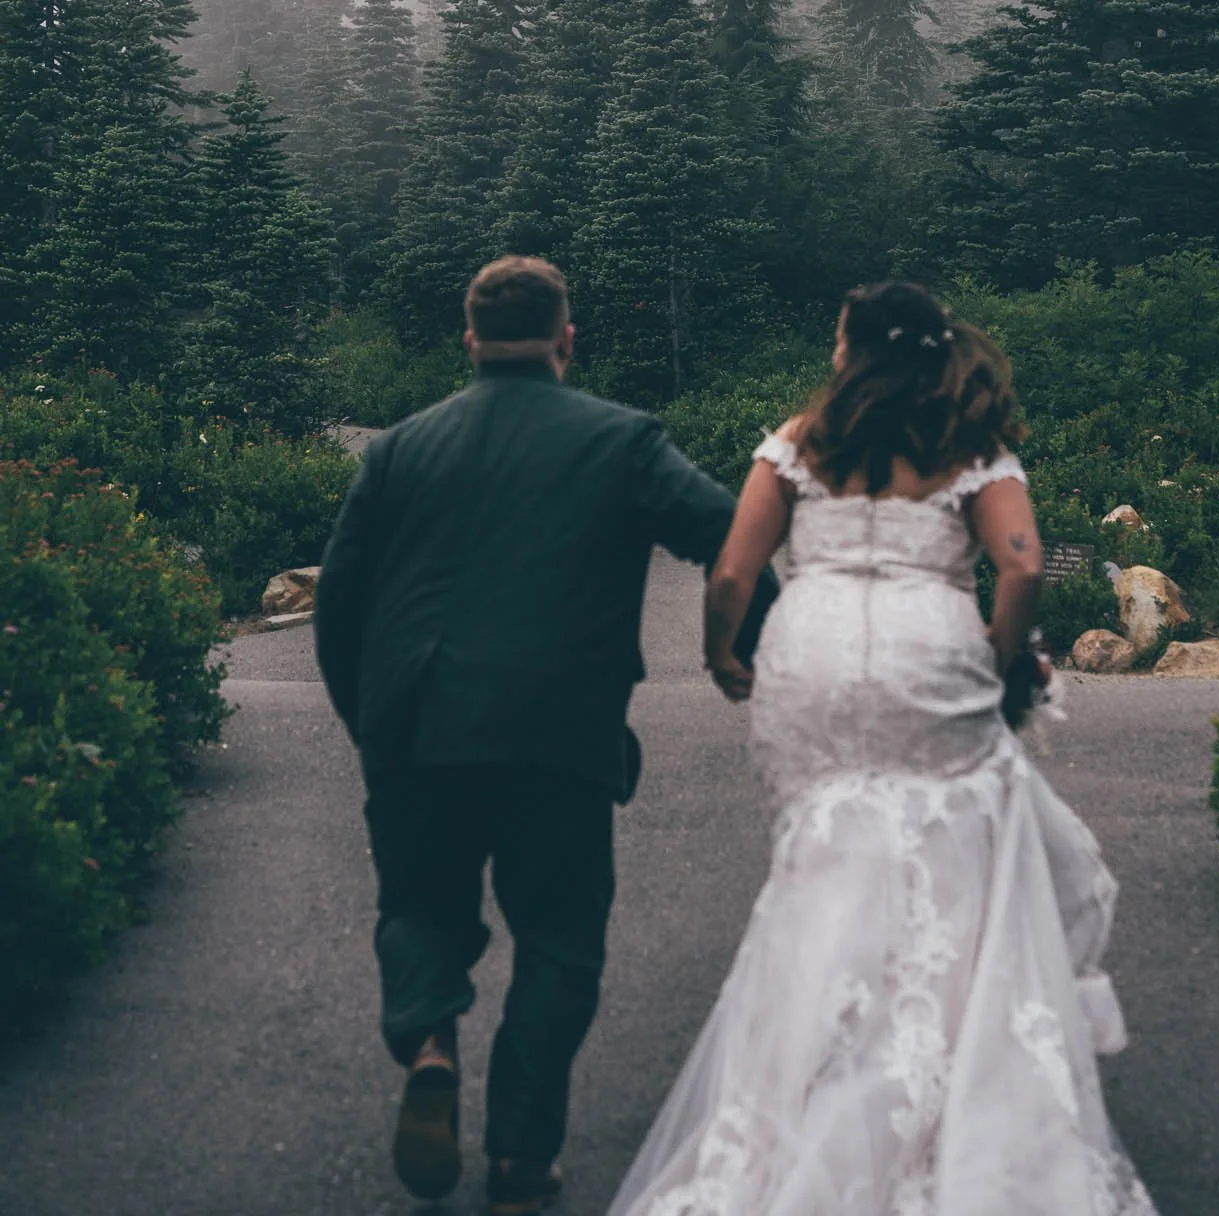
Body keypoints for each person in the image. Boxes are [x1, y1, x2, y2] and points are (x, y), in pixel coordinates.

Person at [607, 279, 1158, 1216]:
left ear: (851, 350)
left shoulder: (797, 441)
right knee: (952, 835)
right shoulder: (969, 448)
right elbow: (1022, 564)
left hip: (812, 653)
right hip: (927, 649)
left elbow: (734, 570)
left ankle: (820, 1052)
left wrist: (721, 652)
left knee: (826, 850)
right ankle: (948, 1043)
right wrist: (995, 648)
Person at [315, 256, 774, 1213]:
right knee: (559, 942)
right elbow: (731, 542)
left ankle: (431, 1040)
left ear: (469, 337)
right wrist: (747, 651)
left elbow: (341, 603)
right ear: (568, 339)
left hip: (415, 723)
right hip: (556, 733)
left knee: (417, 905)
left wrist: (372, 724)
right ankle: (522, 1156)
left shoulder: (398, 448)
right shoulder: (622, 441)